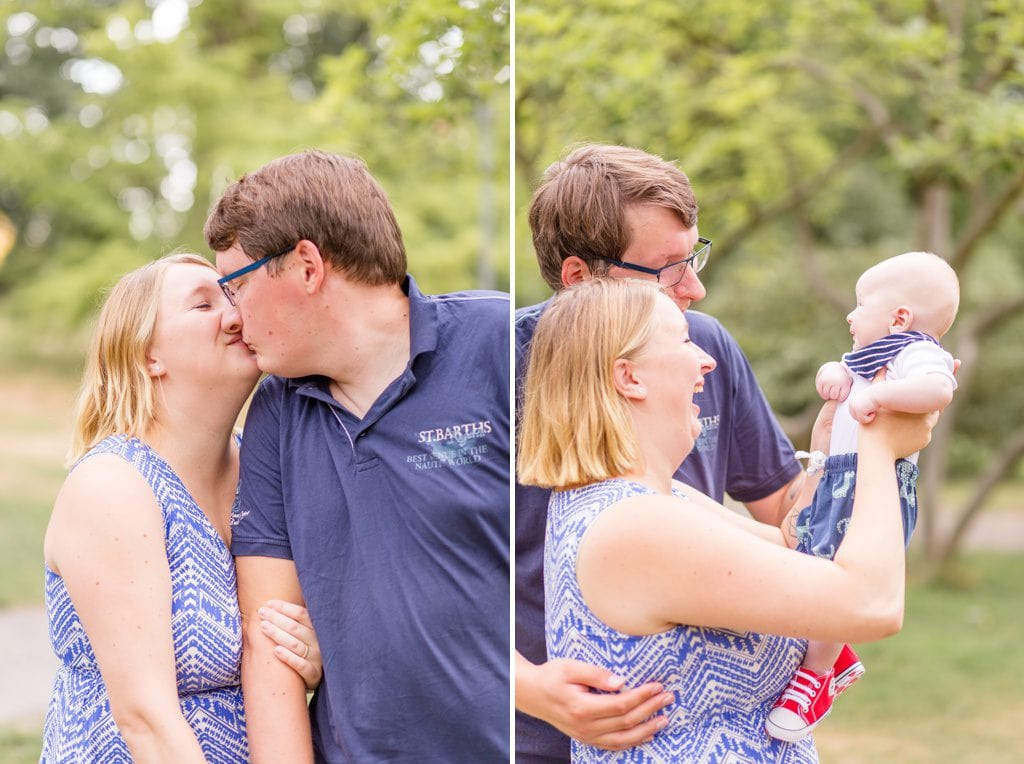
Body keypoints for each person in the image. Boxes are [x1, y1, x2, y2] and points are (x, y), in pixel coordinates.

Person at [518, 277, 938, 762]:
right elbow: (872, 604)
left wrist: (828, 451)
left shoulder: (653, 498)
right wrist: (882, 449)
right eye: (682, 340)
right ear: (628, 377)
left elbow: (793, 543)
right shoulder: (637, 526)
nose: (707, 360)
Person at [203, 149, 510, 762]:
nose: (233, 317)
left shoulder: (500, 344)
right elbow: (271, 641)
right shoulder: (277, 410)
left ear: (307, 266)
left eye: (235, 286)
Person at [515, 143, 806, 760]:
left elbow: (787, 512)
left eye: (693, 256)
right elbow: (431, 575)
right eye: (668, 267)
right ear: (579, 279)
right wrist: (526, 687)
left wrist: (853, 439)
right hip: (543, 739)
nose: (695, 288)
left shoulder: (704, 347)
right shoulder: (491, 375)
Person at [42, 254, 324, 762]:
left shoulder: (264, 468)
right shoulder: (112, 486)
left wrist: (318, 654)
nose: (236, 315)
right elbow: (145, 719)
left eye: (234, 298)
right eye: (203, 305)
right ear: (148, 355)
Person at [766, 251, 959, 741]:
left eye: (860, 303)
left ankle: (814, 676)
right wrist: (835, 373)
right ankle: (836, 655)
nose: (850, 315)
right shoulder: (870, 356)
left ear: (899, 318)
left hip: (877, 487)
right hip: (837, 476)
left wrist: (878, 398)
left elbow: (938, 388)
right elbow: (841, 377)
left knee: (841, 581)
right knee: (810, 559)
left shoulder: (918, 352)